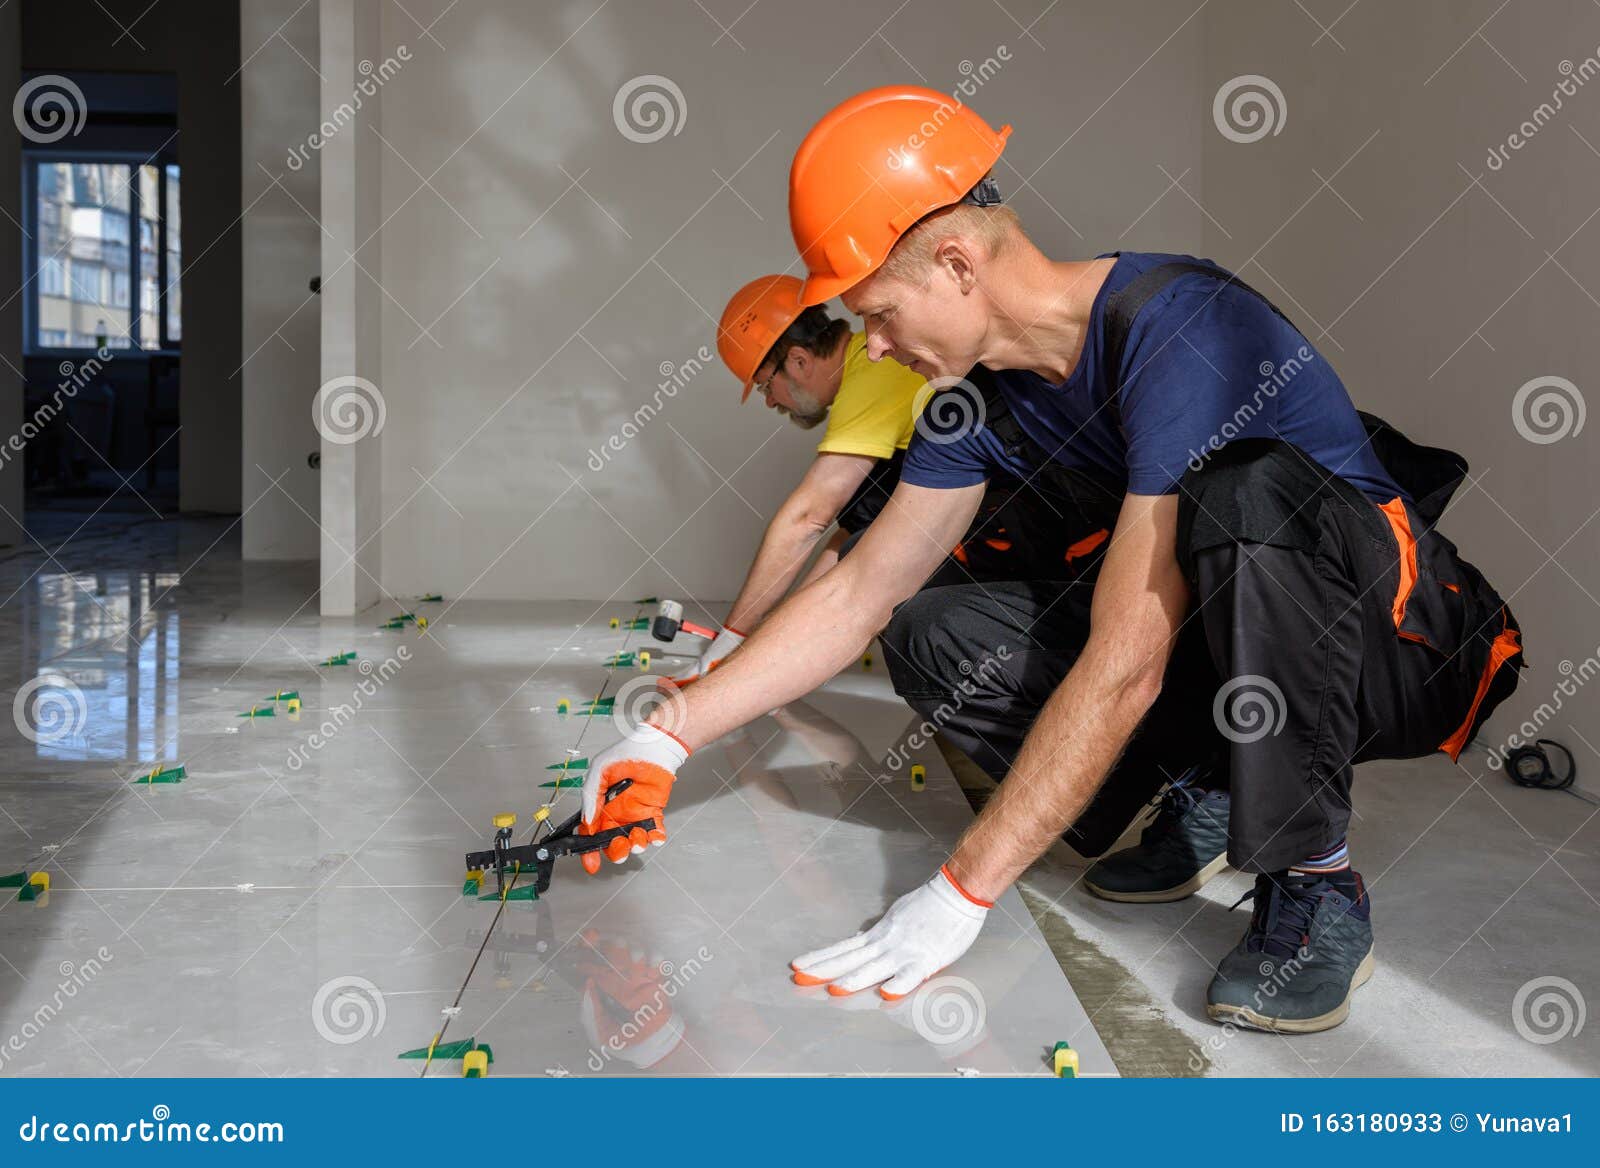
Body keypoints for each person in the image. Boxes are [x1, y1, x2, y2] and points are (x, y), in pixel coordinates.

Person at [579, 86, 1525, 1033]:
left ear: (956, 263)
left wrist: (961, 890)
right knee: (933, 630)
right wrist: (667, 735)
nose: (874, 345)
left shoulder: (1181, 327)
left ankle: (1317, 883)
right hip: (1244, 656)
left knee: (1246, 491)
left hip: (1401, 648)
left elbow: (1129, 655)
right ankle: (1206, 787)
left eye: (881, 313)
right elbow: (860, 591)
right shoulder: (973, 402)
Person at [679, 274, 1112, 683]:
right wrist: (773, 643)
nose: (770, 402)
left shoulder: (871, 376)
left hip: (1053, 543)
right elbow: (849, 534)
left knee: (884, 579)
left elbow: (807, 518)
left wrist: (730, 643)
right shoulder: (870, 381)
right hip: (1045, 533)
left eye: (765, 386)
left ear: (798, 360)